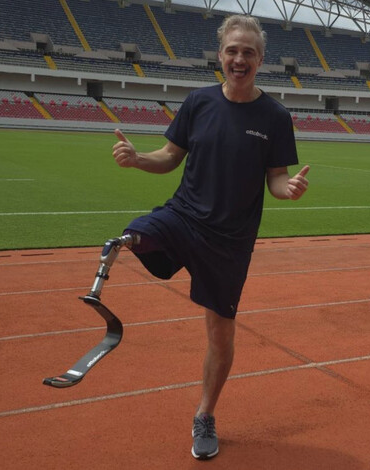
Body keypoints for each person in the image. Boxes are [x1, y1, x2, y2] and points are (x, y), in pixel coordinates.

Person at [111, 14, 310, 460]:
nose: (240, 59)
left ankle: (205, 414)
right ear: (220, 55)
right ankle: (118, 252)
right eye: (233, 50)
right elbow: (168, 156)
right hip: (184, 216)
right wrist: (136, 159)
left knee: (220, 335)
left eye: (249, 52)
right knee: (136, 232)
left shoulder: (275, 116)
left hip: (231, 242)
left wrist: (289, 189)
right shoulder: (197, 102)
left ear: (261, 60)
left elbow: (275, 180)